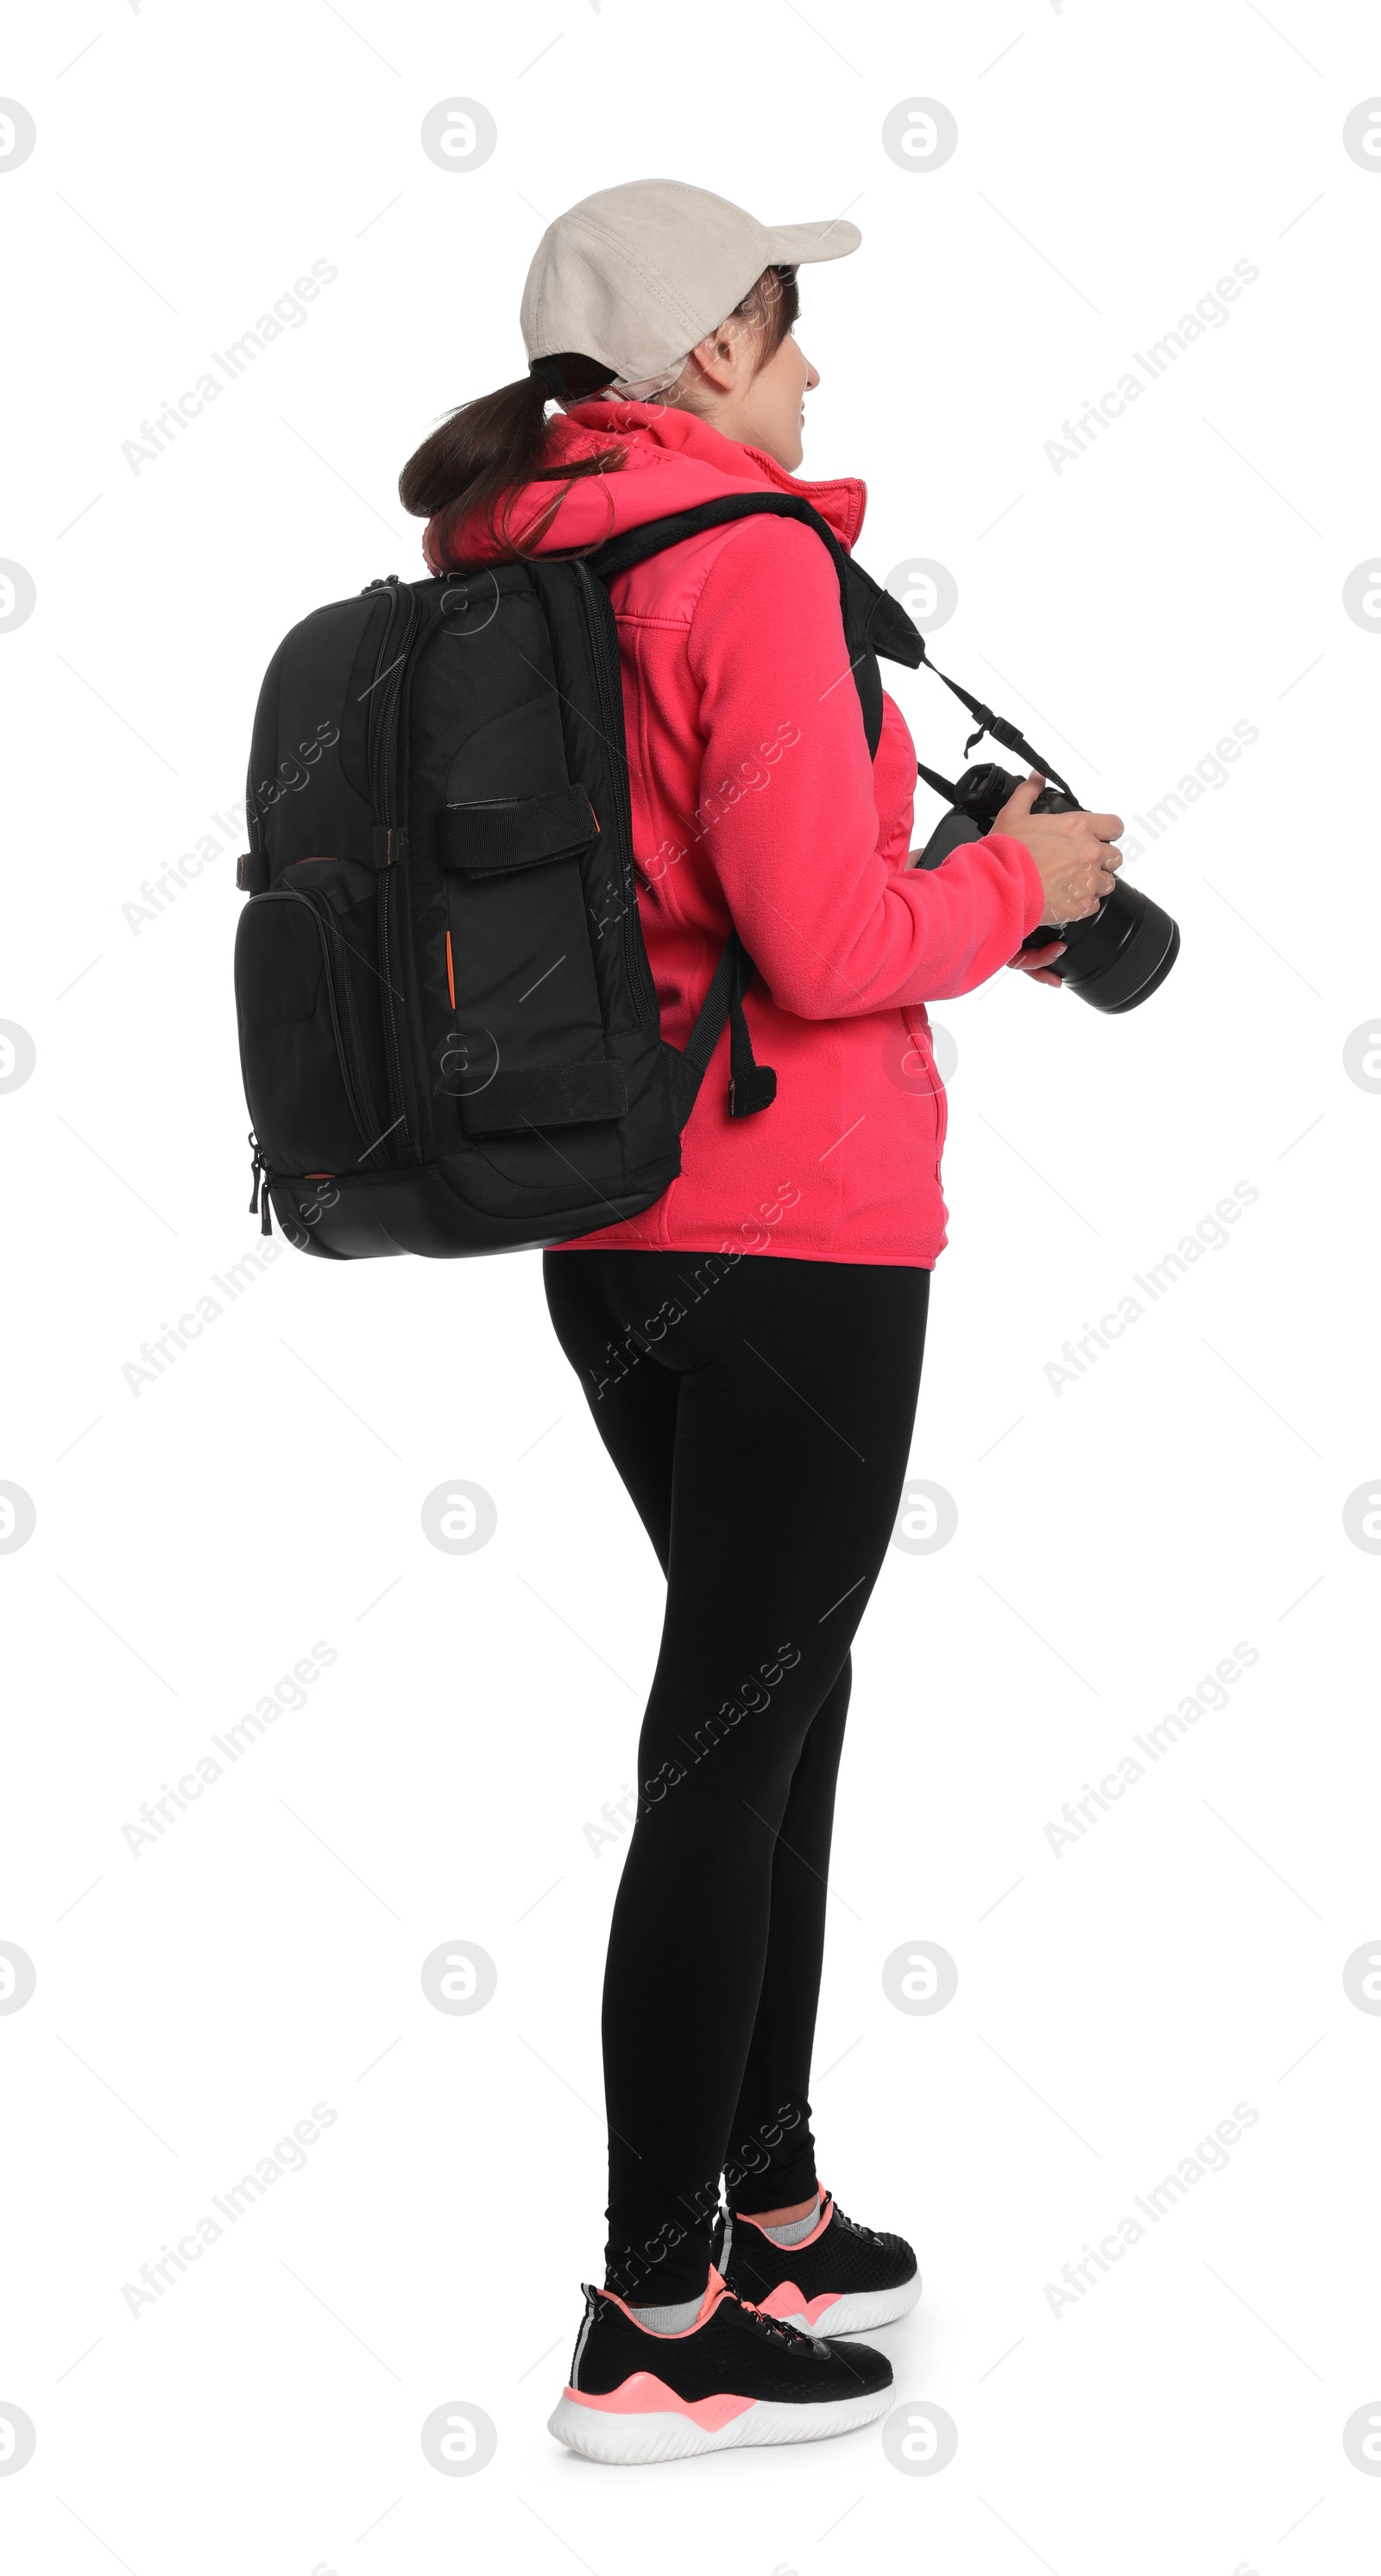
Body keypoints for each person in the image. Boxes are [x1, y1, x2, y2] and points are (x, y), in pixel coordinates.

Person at [400, 179, 1124, 2466]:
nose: (814, 373)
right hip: (800, 1227)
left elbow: (698, 894)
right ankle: (652, 2316)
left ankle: (772, 2192)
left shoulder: (509, 569)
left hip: (608, 1226)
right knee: (730, 1731)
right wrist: (1031, 883)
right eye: (790, 335)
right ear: (708, 353)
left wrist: (947, 904)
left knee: (768, 1697)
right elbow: (822, 953)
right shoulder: (748, 565)